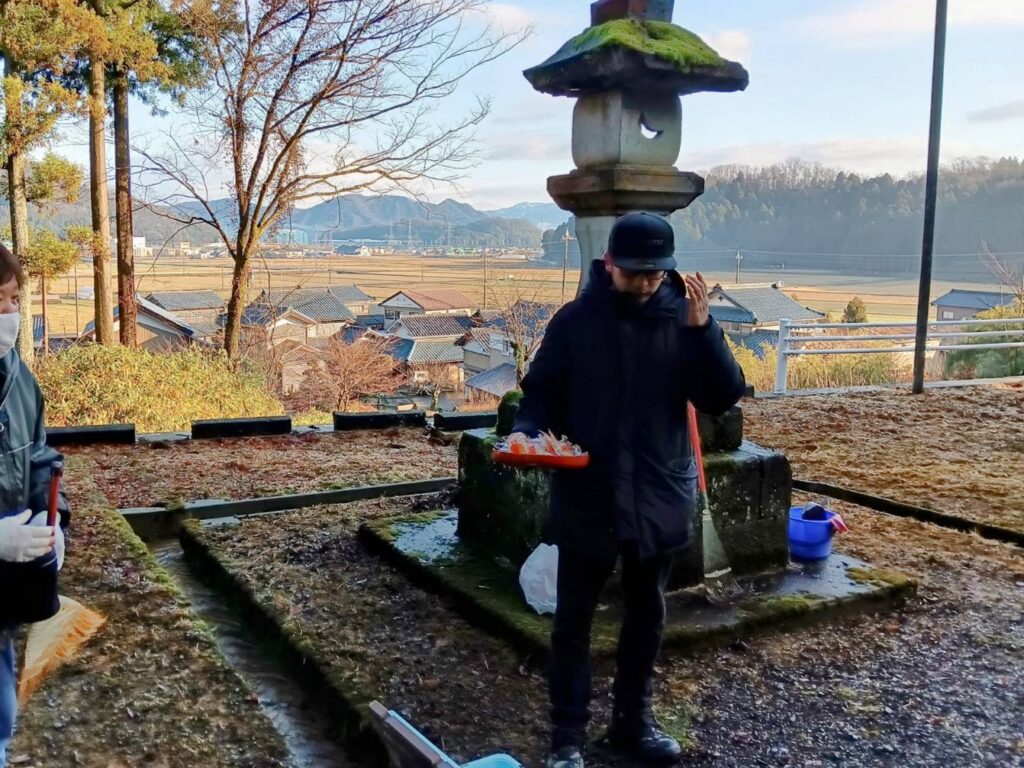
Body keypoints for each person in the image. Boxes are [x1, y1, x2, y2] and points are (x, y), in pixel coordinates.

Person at [512, 213, 746, 768]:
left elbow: (720, 396)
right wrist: (525, 435)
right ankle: (566, 737)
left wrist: (703, 332)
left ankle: (633, 724)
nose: (646, 284)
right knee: (573, 619)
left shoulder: (683, 320)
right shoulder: (575, 321)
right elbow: (540, 393)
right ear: (610, 264)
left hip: (658, 486)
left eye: (656, 274)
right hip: (588, 488)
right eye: (635, 273)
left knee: (647, 614)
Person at [0, 244, 67, 766]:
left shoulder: (19, 378)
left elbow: (42, 457)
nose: (9, 315)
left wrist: (54, 517)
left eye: (14, 299)